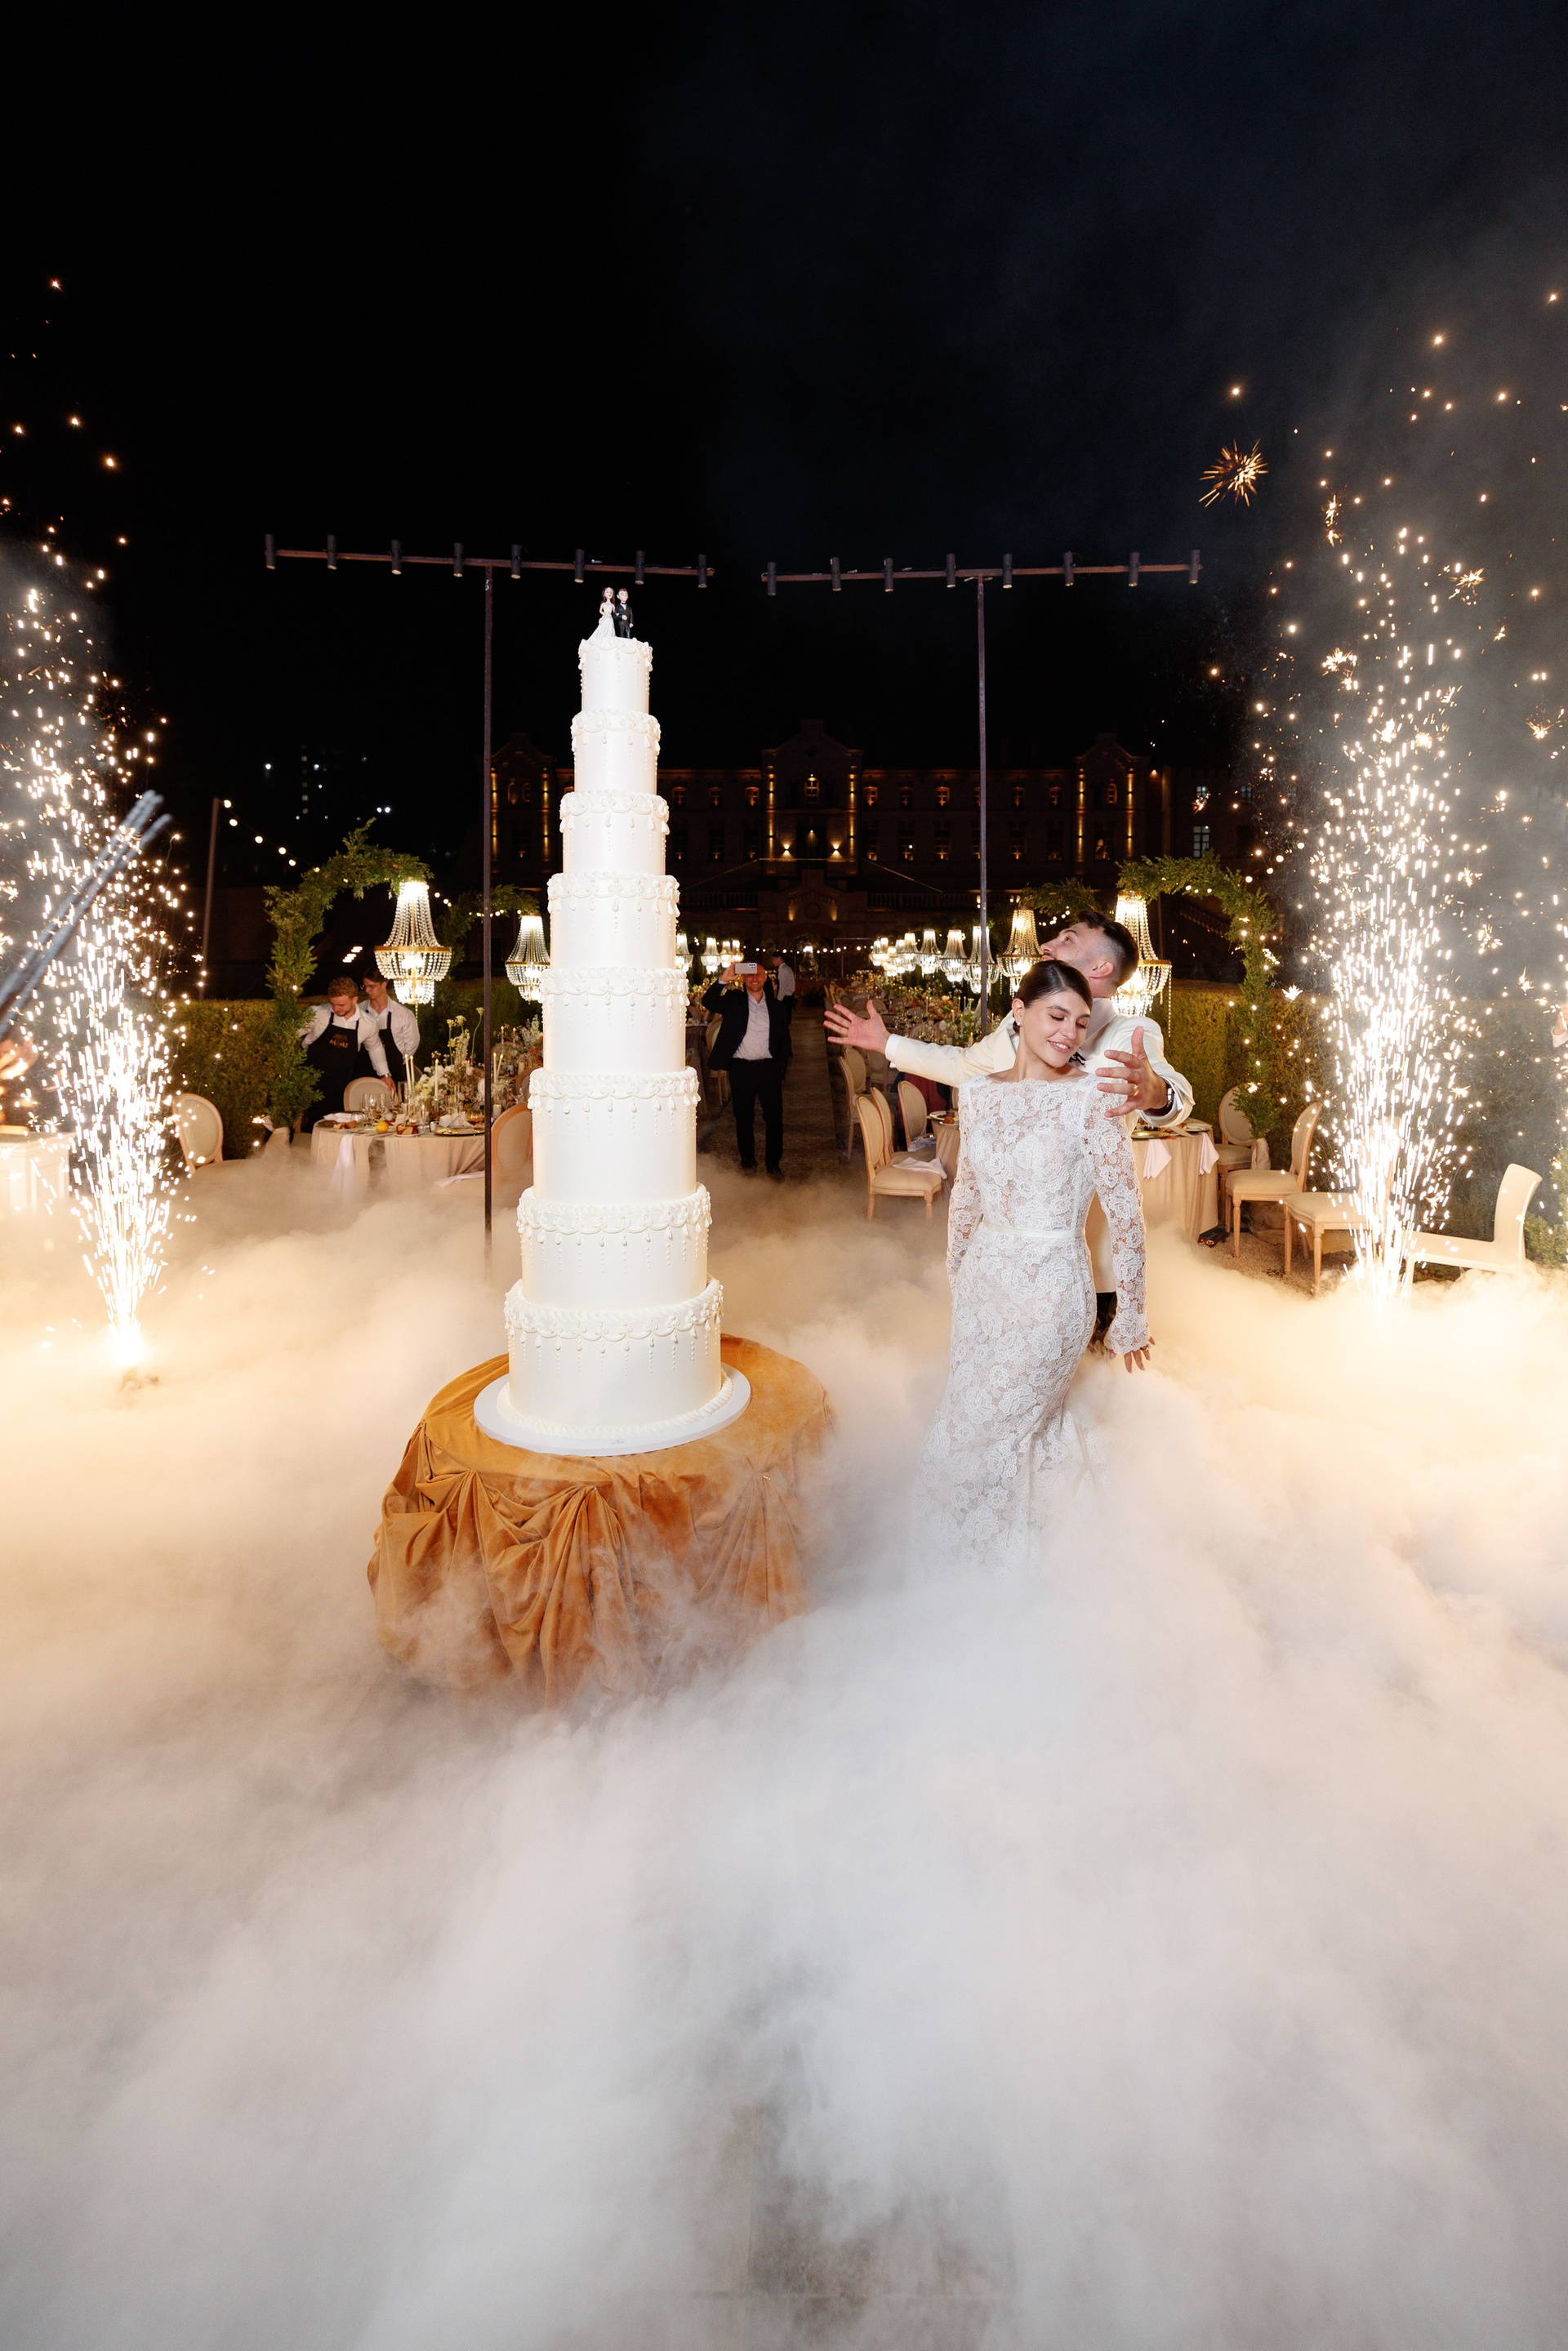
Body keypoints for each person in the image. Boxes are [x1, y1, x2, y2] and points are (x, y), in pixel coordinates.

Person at [826, 914, 1190, 1334]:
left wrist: (1157, 1094)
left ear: (1100, 967)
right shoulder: (1018, 1027)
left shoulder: (1130, 1033)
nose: (1047, 945)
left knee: (1083, 1363)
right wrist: (885, 1042)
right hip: (1006, 1253)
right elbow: (962, 1066)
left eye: (1068, 939)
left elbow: (1174, 1095)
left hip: (1081, 1256)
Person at [917, 959, 1149, 1566]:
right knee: (1003, 1424)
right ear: (1018, 1012)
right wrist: (959, 1273)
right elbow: (967, 1193)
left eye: (1080, 1022)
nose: (1069, 1033)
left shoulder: (1092, 1097)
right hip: (983, 1287)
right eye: (1056, 1016)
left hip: (1053, 1291)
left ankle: (988, 1574)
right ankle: (1050, 1552)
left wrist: (1132, 1316)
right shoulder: (978, 1093)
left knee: (986, 1433)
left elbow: (1126, 1214)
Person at [704, 959, 791, 1177]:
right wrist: (724, 979)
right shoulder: (734, 1000)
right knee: (744, 1119)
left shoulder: (776, 1006)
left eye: (759, 974)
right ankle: (748, 1162)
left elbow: (784, 1040)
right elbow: (708, 1001)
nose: (754, 979)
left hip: (769, 1069)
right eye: (750, 975)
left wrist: (780, 1067)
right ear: (743, 979)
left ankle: (773, 1164)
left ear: (766, 978)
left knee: (774, 1119)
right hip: (741, 1069)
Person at [298, 973, 390, 1131]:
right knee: (309, 1128)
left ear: (354, 1000)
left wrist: (385, 1075)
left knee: (337, 1129)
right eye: (333, 1004)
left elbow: (375, 1048)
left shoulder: (367, 1024)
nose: (336, 1009)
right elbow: (289, 1034)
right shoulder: (317, 1014)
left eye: (341, 1005)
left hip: (340, 1086)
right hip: (309, 1083)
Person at [360, 970, 420, 1085]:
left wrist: (396, 1063)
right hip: (363, 1072)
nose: (367, 991)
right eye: (365, 987)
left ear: (384, 984)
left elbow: (411, 1045)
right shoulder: (359, 1011)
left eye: (371, 987)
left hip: (395, 1072)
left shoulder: (403, 1013)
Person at [772, 951, 796, 1026]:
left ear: (779, 958)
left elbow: (782, 988)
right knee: (786, 1021)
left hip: (785, 999)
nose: (773, 961)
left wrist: (778, 1001)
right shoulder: (788, 968)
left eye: (774, 959)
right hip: (789, 997)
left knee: (782, 1022)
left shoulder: (782, 970)